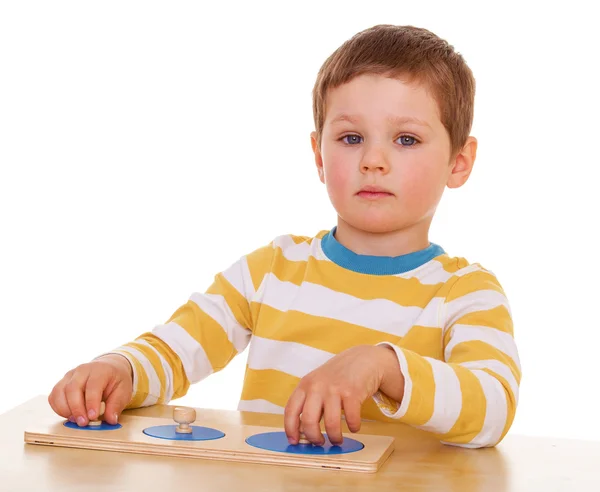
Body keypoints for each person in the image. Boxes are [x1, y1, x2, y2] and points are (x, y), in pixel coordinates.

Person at [48, 24, 521, 449]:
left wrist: (382, 366)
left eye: (406, 139)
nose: (373, 160)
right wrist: (119, 370)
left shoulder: (467, 294)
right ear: (318, 154)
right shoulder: (270, 270)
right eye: (351, 138)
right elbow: (175, 350)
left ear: (459, 161)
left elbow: (493, 409)